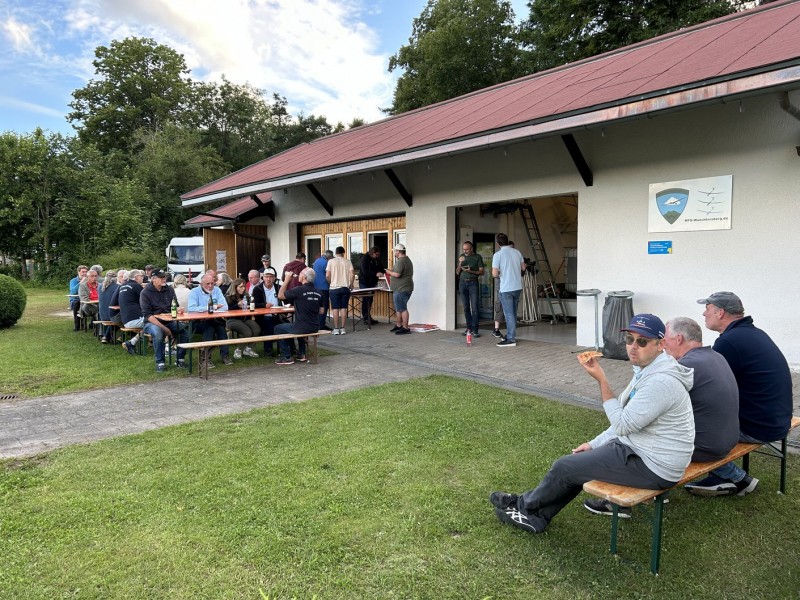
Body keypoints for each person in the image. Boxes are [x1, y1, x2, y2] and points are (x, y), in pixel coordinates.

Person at [490, 314, 694, 531]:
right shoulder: (651, 369)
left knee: (565, 467)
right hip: (642, 450)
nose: (633, 347)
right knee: (574, 464)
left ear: (660, 345)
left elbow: (622, 424)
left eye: (642, 341)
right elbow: (627, 421)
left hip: (656, 466)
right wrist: (594, 444)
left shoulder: (660, 381)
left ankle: (526, 510)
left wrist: (602, 380)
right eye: (629, 339)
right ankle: (532, 511)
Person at [684, 292, 793, 497]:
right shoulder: (753, 333)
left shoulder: (729, 342)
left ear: (720, 312)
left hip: (759, 427)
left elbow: (709, 388)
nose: (704, 314)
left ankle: (735, 478)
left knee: (681, 428)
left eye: (707, 309)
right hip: (778, 419)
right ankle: (725, 477)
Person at [663, 317, 739, 462]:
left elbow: (657, 406)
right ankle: (733, 473)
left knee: (642, 439)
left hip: (704, 448)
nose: (663, 344)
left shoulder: (685, 366)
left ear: (679, 339)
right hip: (727, 439)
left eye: (665, 339)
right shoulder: (717, 356)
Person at [140, 269, 189, 372]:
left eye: (164, 277)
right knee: (158, 333)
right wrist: (164, 328)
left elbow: (174, 306)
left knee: (185, 331)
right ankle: (160, 362)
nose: (164, 279)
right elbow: (148, 316)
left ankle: (180, 359)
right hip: (152, 322)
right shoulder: (145, 292)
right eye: (161, 277)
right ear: (153, 279)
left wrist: (178, 310)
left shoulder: (169, 289)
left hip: (169, 320)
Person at [275, 267, 321, 365]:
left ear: (304, 277)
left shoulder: (298, 290)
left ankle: (286, 357)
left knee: (278, 328)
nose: (299, 275)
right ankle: (302, 354)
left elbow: (280, 295)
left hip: (301, 327)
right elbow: (321, 311)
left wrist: (286, 280)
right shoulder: (319, 292)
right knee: (300, 324)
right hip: (315, 327)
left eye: (300, 274)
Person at [188, 273, 233, 368]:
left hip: (214, 320)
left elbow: (225, 307)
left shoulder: (217, 290)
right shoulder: (194, 292)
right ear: (201, 283)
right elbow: (191, 309)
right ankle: (205, 358)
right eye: (207, 284)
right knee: (210, 326)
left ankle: (225, 355)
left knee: (220, 327)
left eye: (212, 283)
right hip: (198, 321)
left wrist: (207, 309)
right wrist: (212, 307)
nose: (210, 286)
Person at [491, 233, 525, 347]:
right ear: (507, 241)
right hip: (517, 287)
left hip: (506, 288)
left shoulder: (498, 255)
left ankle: (510, 339)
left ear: (498, 243)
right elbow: (523, 268)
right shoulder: (517, 252)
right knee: (513, 313)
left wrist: (501, 273)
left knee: (509, 314)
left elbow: (494, 274)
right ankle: (511, 335)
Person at [225, 278, 260, 359]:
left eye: (244, 286)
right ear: (235, 287)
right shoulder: (228, 296)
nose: (243, 288)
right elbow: (227, 310)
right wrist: (237, 305)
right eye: (240, 287)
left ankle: (249, 349)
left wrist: (249, 305)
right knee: (247, 332)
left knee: (256, 329)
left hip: (245, 318)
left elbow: (251, 305)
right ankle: (239, 350)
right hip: (232, 319)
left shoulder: (246, 296)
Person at [456, 240, 485, 338]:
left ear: (471, 248)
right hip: (462, 283)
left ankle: (475, 330)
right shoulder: (462, 256)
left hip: (473, 283)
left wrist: (471, 271)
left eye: (467, 249)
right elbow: (457, 272)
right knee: (466, 307)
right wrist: (460, 263)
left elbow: (482, 272)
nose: (465, 251)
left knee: (474, 307)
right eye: (464, 249)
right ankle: (469, 328)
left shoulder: (477, 257)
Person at [384, 244, 414, 335]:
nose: (394, 252)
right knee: (399, 308)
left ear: (398, 251)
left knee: (402, 308)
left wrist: (386, 271)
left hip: (402, 289)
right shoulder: (407, 260)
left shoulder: (401, 261)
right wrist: (389, 271)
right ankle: (399, 325)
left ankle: (405, 328)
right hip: (403, 288)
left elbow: (397, 274)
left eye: (394, 251)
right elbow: (396, 272)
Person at [115, 269, 146, 355]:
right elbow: (146, 302)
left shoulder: (122, 286)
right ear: (136, 277)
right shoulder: (137, 286)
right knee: (157, 322)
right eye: (141, 276)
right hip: (135, 320)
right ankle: (167, 347)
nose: (143, 278)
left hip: (125, 320)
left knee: (152, 323)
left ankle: (132, 342)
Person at [326, 246, 354, 335]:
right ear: (343, 253)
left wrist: (330, 282)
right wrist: (351, 283)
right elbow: (352, 274)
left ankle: (336, 328)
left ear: (336, 253)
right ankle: (343, 328)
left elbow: (327, 275)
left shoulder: (331, 261)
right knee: (343, 308)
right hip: (345, 287)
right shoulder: (348, 262)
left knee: (335, 308)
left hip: (334, 288)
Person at [253, 270, 281, 356]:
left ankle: (288, 349)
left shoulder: (278, 287)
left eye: (271, 277)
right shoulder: (257, 289)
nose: (268, 279)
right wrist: (264, 305)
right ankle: (268, 350)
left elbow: (285, 300)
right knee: (269, 324)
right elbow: (254, 304)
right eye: (266, 277)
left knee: (286, 324)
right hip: (263, 316)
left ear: (274, 278)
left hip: (278, 315)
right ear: (263, 278)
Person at [492, 241, 514, 338]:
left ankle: (510, 332)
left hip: (512, 287)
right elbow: (495, 273)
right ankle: (496, 329)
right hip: (501, 286)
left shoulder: (514, 256)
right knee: (500, 307)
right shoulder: (499, 256)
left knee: (511, 310)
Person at [359, 246, 385, 325]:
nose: (377, 256)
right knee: (366, 299)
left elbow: (381, 267)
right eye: (376, 254)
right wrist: (376, 274)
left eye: (378, 255)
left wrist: (385, 271)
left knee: (370, 300)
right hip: (364, 282)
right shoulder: (364, 259)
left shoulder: (376, 259)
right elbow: (365, 271)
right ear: (372, 253)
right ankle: (366, 318)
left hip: (372, 283)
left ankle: (368, 317)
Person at [313, 250, 333, 330]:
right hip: (324, 287)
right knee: (324, 306)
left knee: (318, 306)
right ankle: (321, 325)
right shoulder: (326, 263)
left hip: (316, 287)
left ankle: (317, 323)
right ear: (329, 257)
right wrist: (331, 282)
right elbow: (328, 275)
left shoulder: (316, 261)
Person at [98, 270, 119, 343]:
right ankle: (107, 336)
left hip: (102, 314)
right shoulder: (117, 287)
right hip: (111, 315)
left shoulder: (100, 286)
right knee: (122, 317)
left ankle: (106, 336)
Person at [69, 265, 88, 331]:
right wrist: (81, 282)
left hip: (86, 299)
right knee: (76, 303)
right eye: (83, 272)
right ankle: (77, 325)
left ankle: (90, 324)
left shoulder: (89, 280)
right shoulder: (73, 281)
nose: (85, 273)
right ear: (78, 272)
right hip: (76, 299)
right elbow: (73, 291)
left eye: (86, 272)